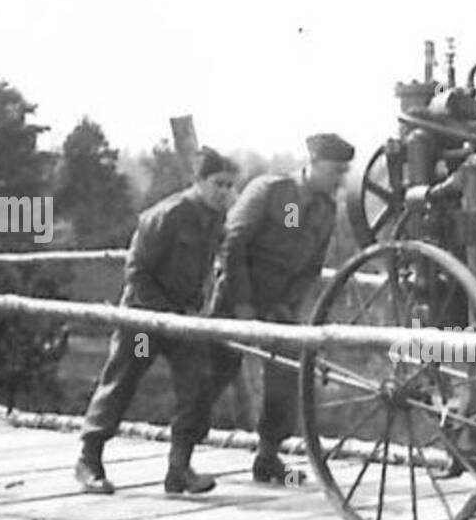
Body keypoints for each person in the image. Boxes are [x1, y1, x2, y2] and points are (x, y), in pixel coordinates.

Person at [74, 148, 240, 495]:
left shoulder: (215, 221)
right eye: (217, 184)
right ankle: (89, 459)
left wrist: (197, 307)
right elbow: (137, 272)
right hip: (145, 323)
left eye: (229, 185)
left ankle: (179, 468)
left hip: (182, 323)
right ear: (198, 181)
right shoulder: (165, 216)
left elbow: (213, 264)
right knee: (123, 380)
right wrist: (161, 314)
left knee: (198, 385)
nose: (224, 192)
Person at [194, 132, 354, 484]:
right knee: (214, 375)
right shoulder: (272, 192)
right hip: (236, 300)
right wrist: (243, 304)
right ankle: (181, 455)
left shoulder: (325, 210)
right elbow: (232, 244)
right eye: (334, 170)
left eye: (344, 171)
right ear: (312, 164)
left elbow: (310, 267)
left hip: (279, 308)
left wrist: (287, 306)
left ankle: (268, 457)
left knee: (284, 379)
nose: (340, 179)